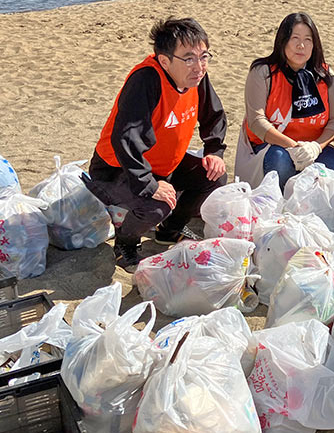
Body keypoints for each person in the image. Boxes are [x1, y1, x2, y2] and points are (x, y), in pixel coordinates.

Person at [84, 18, 228, 271]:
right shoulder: (146, 80)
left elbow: (213, 115)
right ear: (164, 60)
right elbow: (125, 139)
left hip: (164, 165)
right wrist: (149, 184)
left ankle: (169, 231)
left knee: (214, 177)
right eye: (189, 58)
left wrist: (214, 151)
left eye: (204, 56)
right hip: (115, 169)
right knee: (157, 205)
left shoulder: (196, 77)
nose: (199, 66)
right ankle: (125, 243)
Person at [237, 12, 334, 190]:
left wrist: (315, 148)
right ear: (282, 41)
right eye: (294, 38)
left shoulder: (326, 75)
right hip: (274, 147)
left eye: (308, 39)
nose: (301, 45)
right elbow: (256, 122)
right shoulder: (263, 73)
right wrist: (294, 147)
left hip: (315, 146)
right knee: (280, 163)